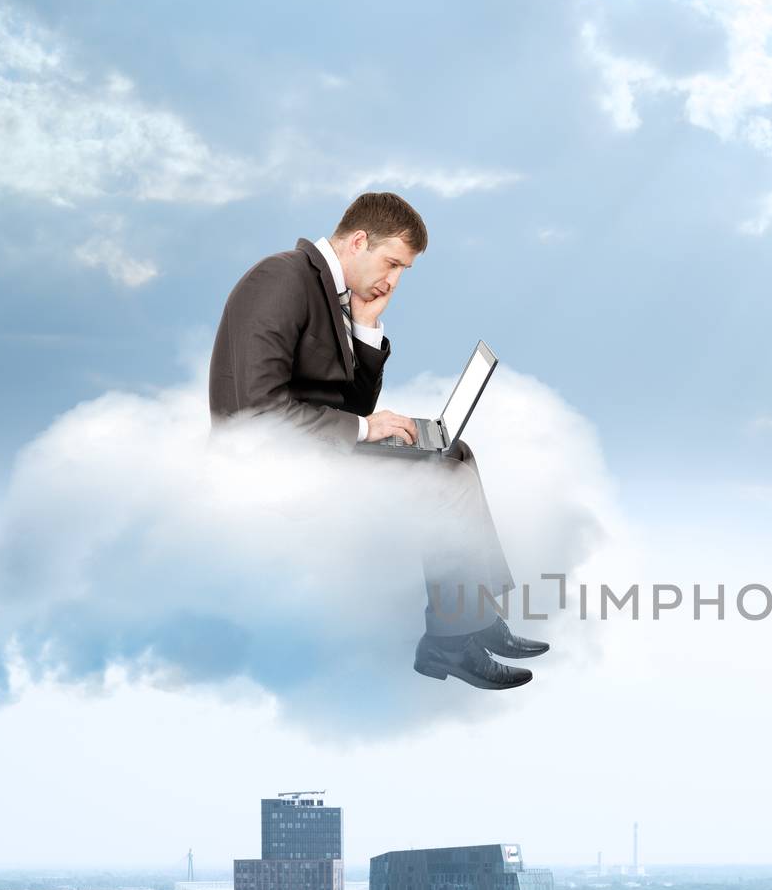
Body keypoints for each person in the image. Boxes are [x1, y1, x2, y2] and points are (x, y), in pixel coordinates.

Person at [208, 191, 547, 690]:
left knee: (454, 451)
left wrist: (365, 327)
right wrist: (367, 431)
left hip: (312, 449)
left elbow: (352, 404)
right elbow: (261, 413)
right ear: (359, 241)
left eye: (403, 270)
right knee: (445, 475)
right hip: (271, 465)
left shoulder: (327, 289)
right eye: (392, 262)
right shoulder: (281, 278)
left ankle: (471, 616)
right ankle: (449, 642)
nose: (394, 279)